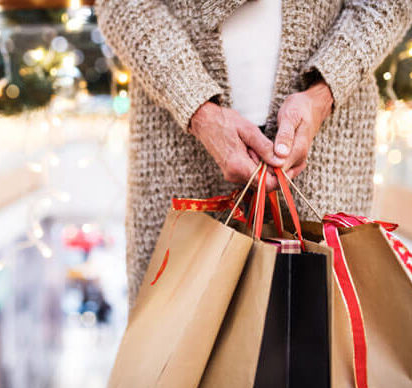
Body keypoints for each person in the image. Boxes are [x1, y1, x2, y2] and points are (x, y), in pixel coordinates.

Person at [95, 0, 412, 308]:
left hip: (327, 137)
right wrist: (196, 107)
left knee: (317, 334)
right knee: (172, 337)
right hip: (176, 139)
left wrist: (324, 92)